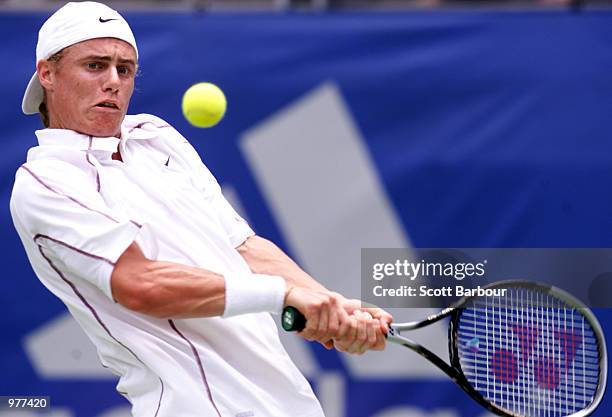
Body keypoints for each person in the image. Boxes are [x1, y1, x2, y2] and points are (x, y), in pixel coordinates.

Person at [10, 2, 393, 417]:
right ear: (47, 73)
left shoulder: (156, 137)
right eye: (95, 66)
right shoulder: (45, 183)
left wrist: (329, 304)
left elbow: (244, 247)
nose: (113, 83)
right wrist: (284, 296)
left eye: (125, 69)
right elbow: (141, 285)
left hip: (286, 403)